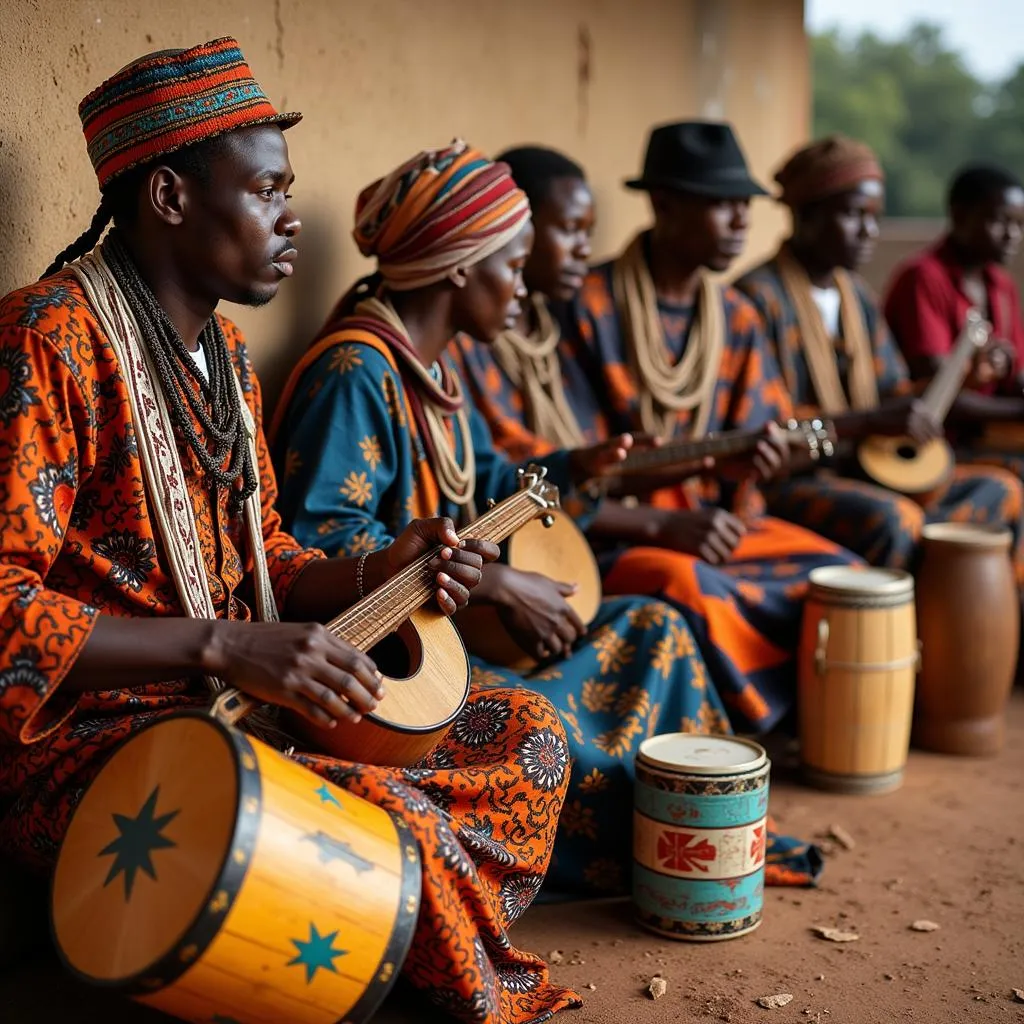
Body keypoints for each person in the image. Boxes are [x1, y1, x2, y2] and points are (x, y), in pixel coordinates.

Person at [0, 40, 580, 1024]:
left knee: (527, 737)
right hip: (94, 738)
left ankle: (356, 945)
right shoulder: (46, 340)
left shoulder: (224, 351)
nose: (291, 219)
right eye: (266, 191)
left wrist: (376, 568)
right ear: (172, 199)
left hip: (232, 702)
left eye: (288, 190)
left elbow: (270, 558)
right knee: (398, 825)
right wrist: (227, 646)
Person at [270, 141, 803, 900]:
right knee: (550, 734)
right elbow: (323, 544)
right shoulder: (355, 372)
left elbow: (485, 486)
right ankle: (652, 852)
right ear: (459, 266)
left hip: (455, 628)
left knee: (657, 625)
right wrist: (496, 586)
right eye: (512, 267)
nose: (524, 289)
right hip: (401, 668)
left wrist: (578, 468)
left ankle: (698, 841)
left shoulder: (435, 369)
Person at [557, 122, 861, 733]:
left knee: (843, 580)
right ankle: (752, 736)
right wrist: (668, 518)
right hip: (618, 534)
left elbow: (765, 434)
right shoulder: (587, 306)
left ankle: (819, 729)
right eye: (721, 204)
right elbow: (577, 469)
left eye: (745, 204)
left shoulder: (738, 316)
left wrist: (760, 462)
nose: (740, 221)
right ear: (664, 203)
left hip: (719, 523)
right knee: (694, 586)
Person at [735, 137, 1023, 571]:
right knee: (895, 519)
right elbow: (770, 434)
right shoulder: (756, 300)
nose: (870, 231)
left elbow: (894, 392)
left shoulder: (857, 298)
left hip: (869, 464)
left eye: (875, 217)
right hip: (791, 480)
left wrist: (958, 380)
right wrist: (865, 423)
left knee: (1002, 489)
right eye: (853, 215)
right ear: (804, 215)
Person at [884, 164, 1024, 478]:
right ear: (960, 216)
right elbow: (941, 394)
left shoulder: (1001, 287)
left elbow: (1015, 375)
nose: (1013, 235)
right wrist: (1018, 413)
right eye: (1000, 221)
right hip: (931, 442)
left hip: (984, 433)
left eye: (1019, 224)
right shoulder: (923, 278)